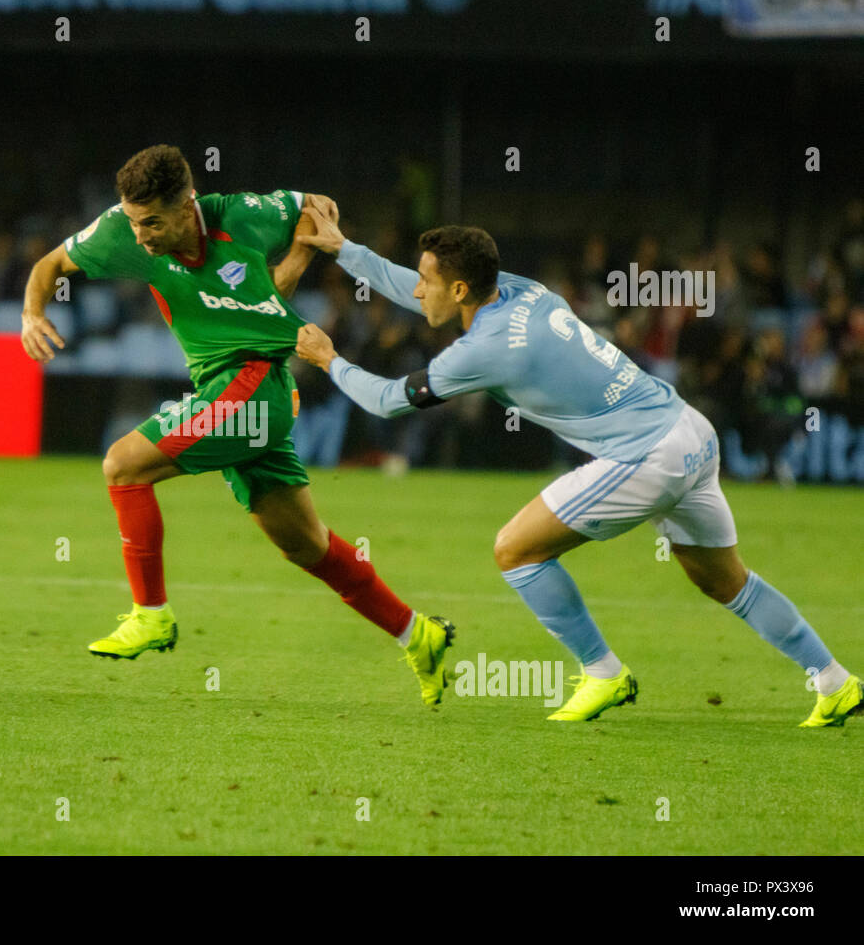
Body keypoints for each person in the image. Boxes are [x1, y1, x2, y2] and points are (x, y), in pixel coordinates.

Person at [289, 208, 860, 726]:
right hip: (688, 431)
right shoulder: (521, 290)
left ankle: (604, 672)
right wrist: (344, 249)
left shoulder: (482, 350)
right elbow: (423, 296)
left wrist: (330, 360)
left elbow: (389, 401)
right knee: (727, 580)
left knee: (515, 550)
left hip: (645, 455)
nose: (416, 288)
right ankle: (834, 681)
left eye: (427, 278)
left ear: (460, 287)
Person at [20, 145, 454, 704]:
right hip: (231, 391)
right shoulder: (121, 231)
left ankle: (150, 614)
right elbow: (48, 265)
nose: (142, 236)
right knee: (306, 547)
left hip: (254, 383)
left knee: (123, 466)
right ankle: (417, 633)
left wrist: (292, 266)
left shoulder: (241, 214)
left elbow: (317, 204)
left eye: (152, 222)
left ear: (187, 205)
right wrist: (33, 313)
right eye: (134, 221)